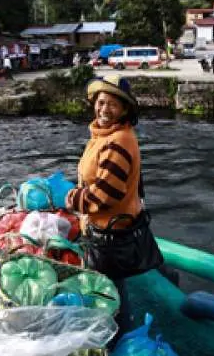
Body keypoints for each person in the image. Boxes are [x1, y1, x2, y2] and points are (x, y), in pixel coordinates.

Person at [64, 75, 163, 330]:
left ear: (124, 109)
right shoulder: (104, 135)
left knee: (110, 293)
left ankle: (118, 337)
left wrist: (70, 198)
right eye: (101, 102)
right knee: (111, 290)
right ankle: (118, 332)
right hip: (105, 230)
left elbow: (105, 196)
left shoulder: (118, 141)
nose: (104, 109)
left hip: (110, 234)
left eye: (112, 104)